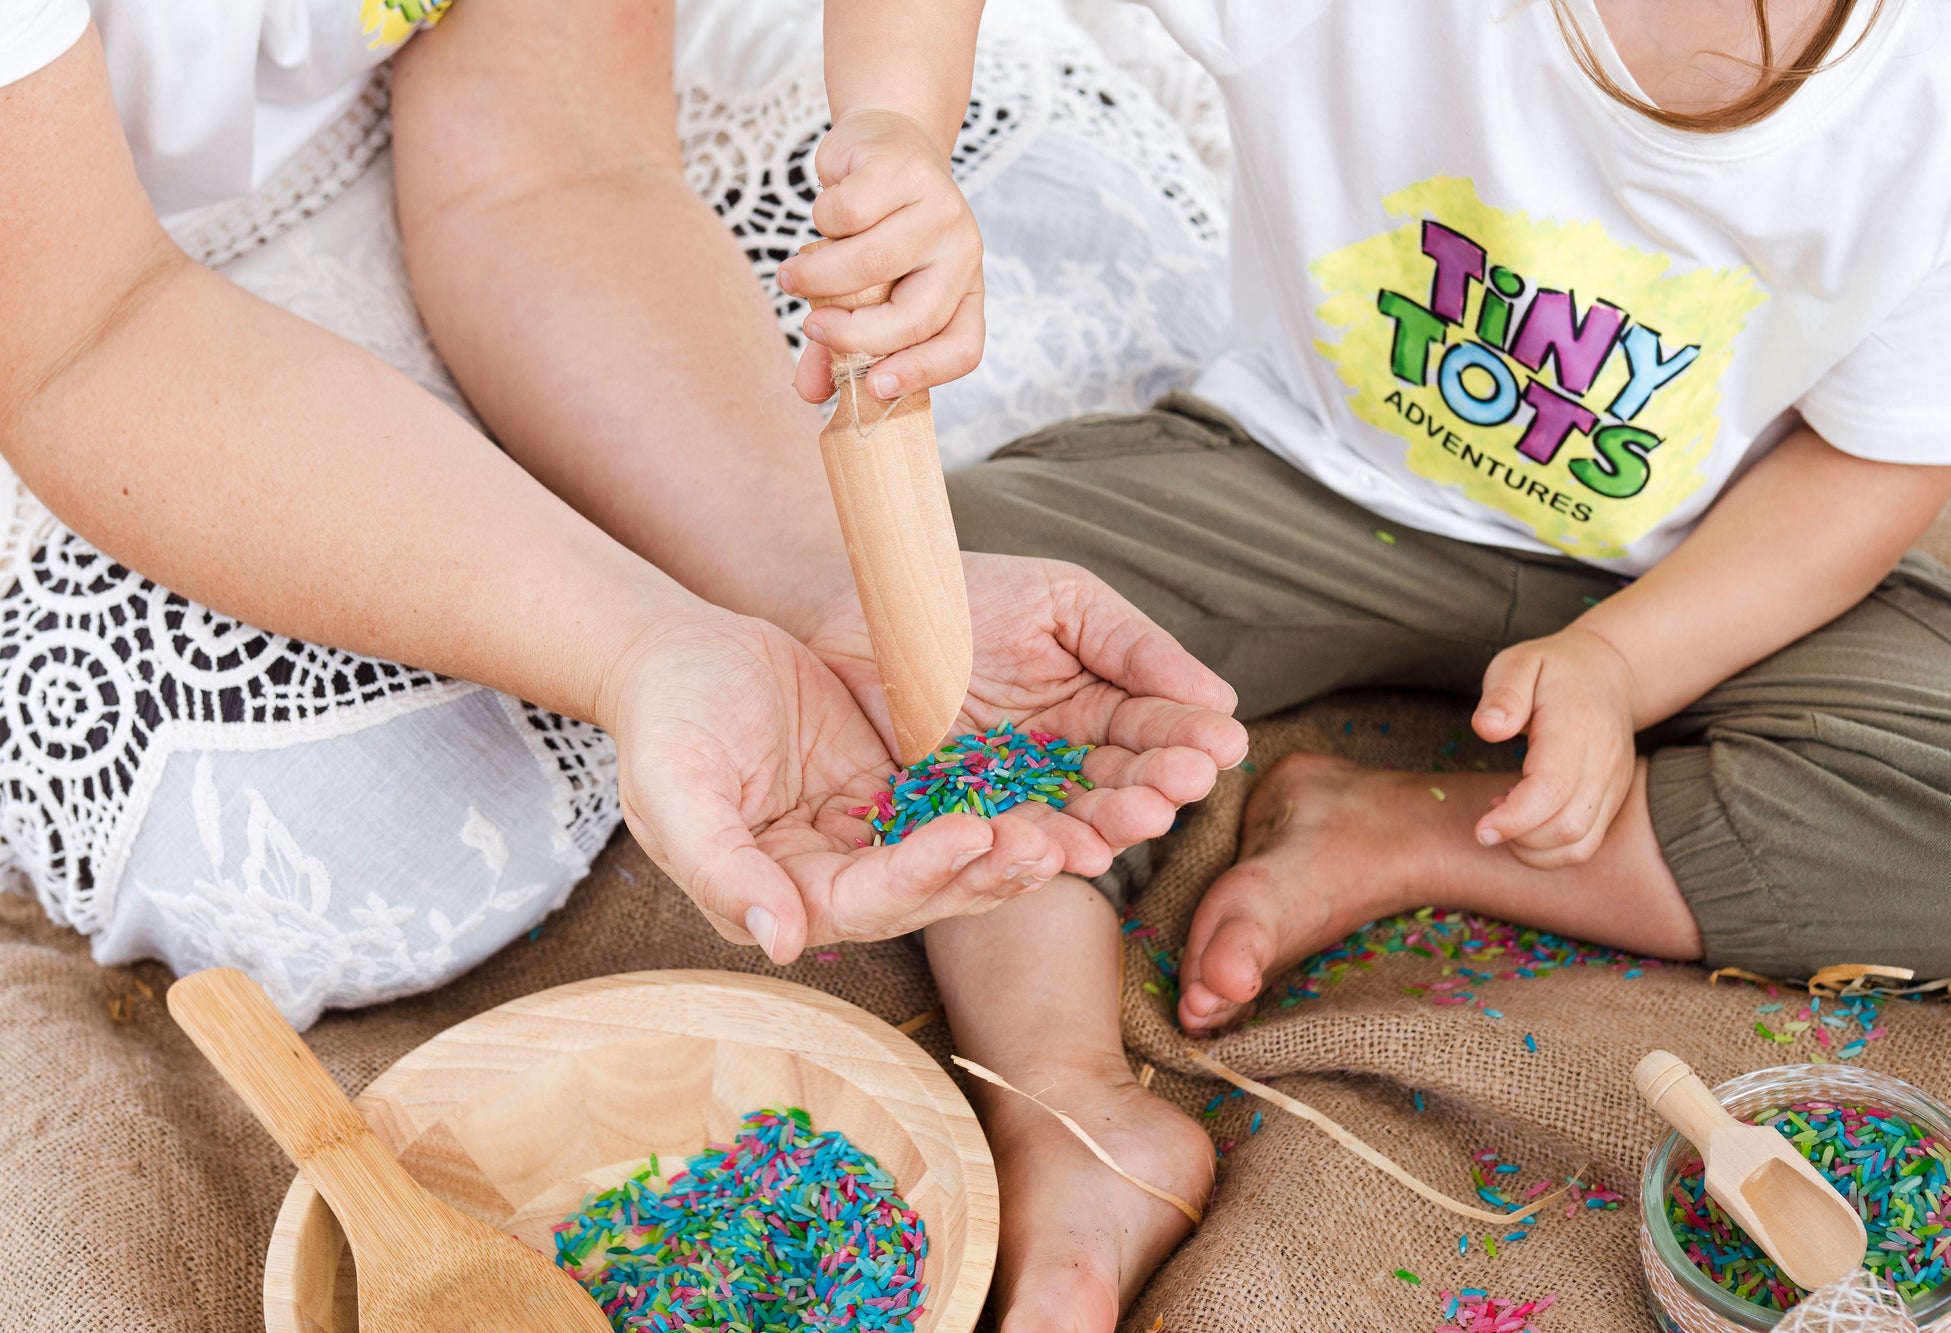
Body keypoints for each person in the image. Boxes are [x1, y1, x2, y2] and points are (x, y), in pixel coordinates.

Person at [789, 0, 1951, 1327]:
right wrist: (899, 130)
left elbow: (1871, 462)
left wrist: (1622, 663)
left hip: (1692, 569)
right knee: (909, 625)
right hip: (1299, 487)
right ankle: (1070, 1110)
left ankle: (1398, 834)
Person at [0, 0, 1249, 1027]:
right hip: (82, 305)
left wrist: (818, 581)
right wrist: (634, 645)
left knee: (1081, 246)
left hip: (431, 133)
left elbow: (546, 160)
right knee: (325, 842)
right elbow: (87, 341)